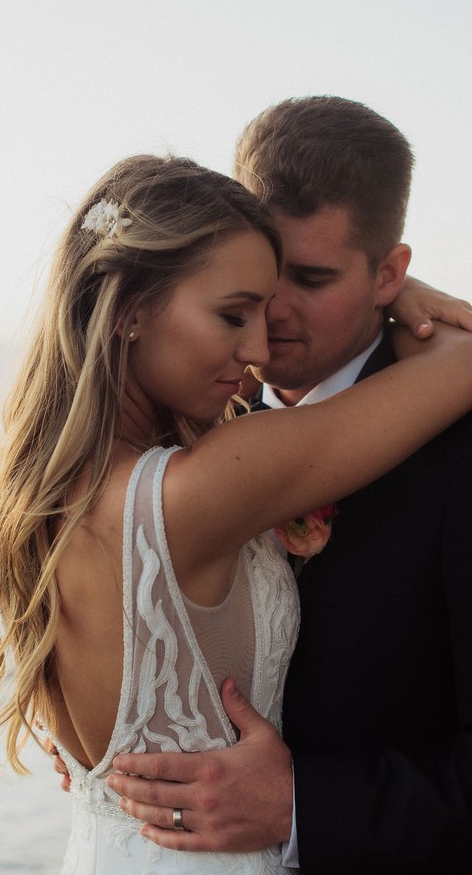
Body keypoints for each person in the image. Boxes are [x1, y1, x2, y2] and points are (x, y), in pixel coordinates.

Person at [0, 151, 472, 875]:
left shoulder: (27, 482)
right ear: (127, 308)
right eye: (234, 313)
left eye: (292, 288)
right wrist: (404, 292)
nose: (257, 349)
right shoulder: (204, 483)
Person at [108, 99, 472, 873]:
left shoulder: (460, 448)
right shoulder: (184, 415)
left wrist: (303, 804)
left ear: (391, 275)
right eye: (264, 270)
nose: (270, 312)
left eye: (311, 278)